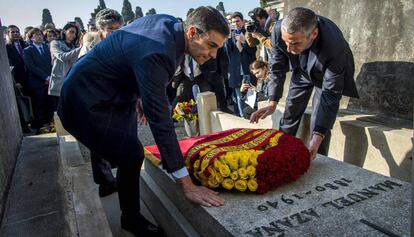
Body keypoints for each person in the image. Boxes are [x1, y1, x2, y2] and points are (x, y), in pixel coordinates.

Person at [58, 7, 229, 236]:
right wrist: (185, 183)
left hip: (116, 94)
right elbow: (160, 120)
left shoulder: (170, 26)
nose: (214, 55)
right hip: (86, 101)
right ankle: (131, 219)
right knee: (132, 154)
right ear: (191, 32)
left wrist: (142, 91)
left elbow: (135, 61)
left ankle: (118, 192)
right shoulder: (157, 52)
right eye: (211, 45)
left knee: (127, 147)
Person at [250, 7, 359, 160]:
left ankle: (317, 155)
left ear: (313, 34)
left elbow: (331, 93)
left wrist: (318, 136)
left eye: (295, 43)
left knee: (319, 120)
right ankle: (280, 152)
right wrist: (273, 101)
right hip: (301, 71)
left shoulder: (334, 45)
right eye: (286, 42)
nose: (289, 49)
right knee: (290, 110)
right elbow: (277, 67)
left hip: (325, 75)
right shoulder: (278, 31)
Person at [78, 8, 124, 198]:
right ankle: (105, 183)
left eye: (119, 28)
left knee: (120, 139)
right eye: (112, 29)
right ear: (101, 30)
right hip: (95, 100)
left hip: (117, 98)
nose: (116, 32)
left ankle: (119, 177)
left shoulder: (122, 41)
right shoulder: (90, 47)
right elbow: (83, 75)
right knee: (99, 143)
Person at [226, 12, 257, 118]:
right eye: (233, 22)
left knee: (250, 100)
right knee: (239, 100)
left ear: (243, 22)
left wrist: (244, 42)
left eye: (238, 21)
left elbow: (253, 51)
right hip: (235, 72)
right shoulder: (231, 35)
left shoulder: (248, 32)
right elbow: (227, 51)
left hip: (248, 70)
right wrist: (229, 37)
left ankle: (251, 118)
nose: (236, 23)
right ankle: (242, 120)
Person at [23, 28, 54, 134]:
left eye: (40, 34)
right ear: (31, 38)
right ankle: (40, 127)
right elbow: (31, 67)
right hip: (37, 83)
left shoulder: (47, 47)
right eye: (36, 35)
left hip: (50, 81)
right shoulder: (28, 50)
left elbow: (52, 63)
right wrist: (45, 77)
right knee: (39, 105)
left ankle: (50, 124)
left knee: (50, 104)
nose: (40, 36)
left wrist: (51, 77)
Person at [49, 23, 81, 109]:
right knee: (59, 111)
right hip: (59, 82)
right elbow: (62, 57)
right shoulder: (55, 43)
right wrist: (81, 48)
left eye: (75, 33)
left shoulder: (75, 46)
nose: (73, 35)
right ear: (64, 31)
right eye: (71, 32)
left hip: (72, 81)